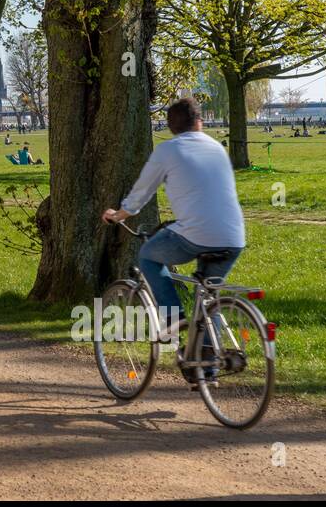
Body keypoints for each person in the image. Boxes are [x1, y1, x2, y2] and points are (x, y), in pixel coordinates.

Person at [101, 97, 245, 381]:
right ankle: (206, 368)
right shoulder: (217, 147)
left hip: (195, 233)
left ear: (170, 127)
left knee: (148, 256)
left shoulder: (167, 150)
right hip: (234, 236)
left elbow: (140, 194)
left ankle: (173, 317)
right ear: (199, 121)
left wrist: (118, 215)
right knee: (209, 296)